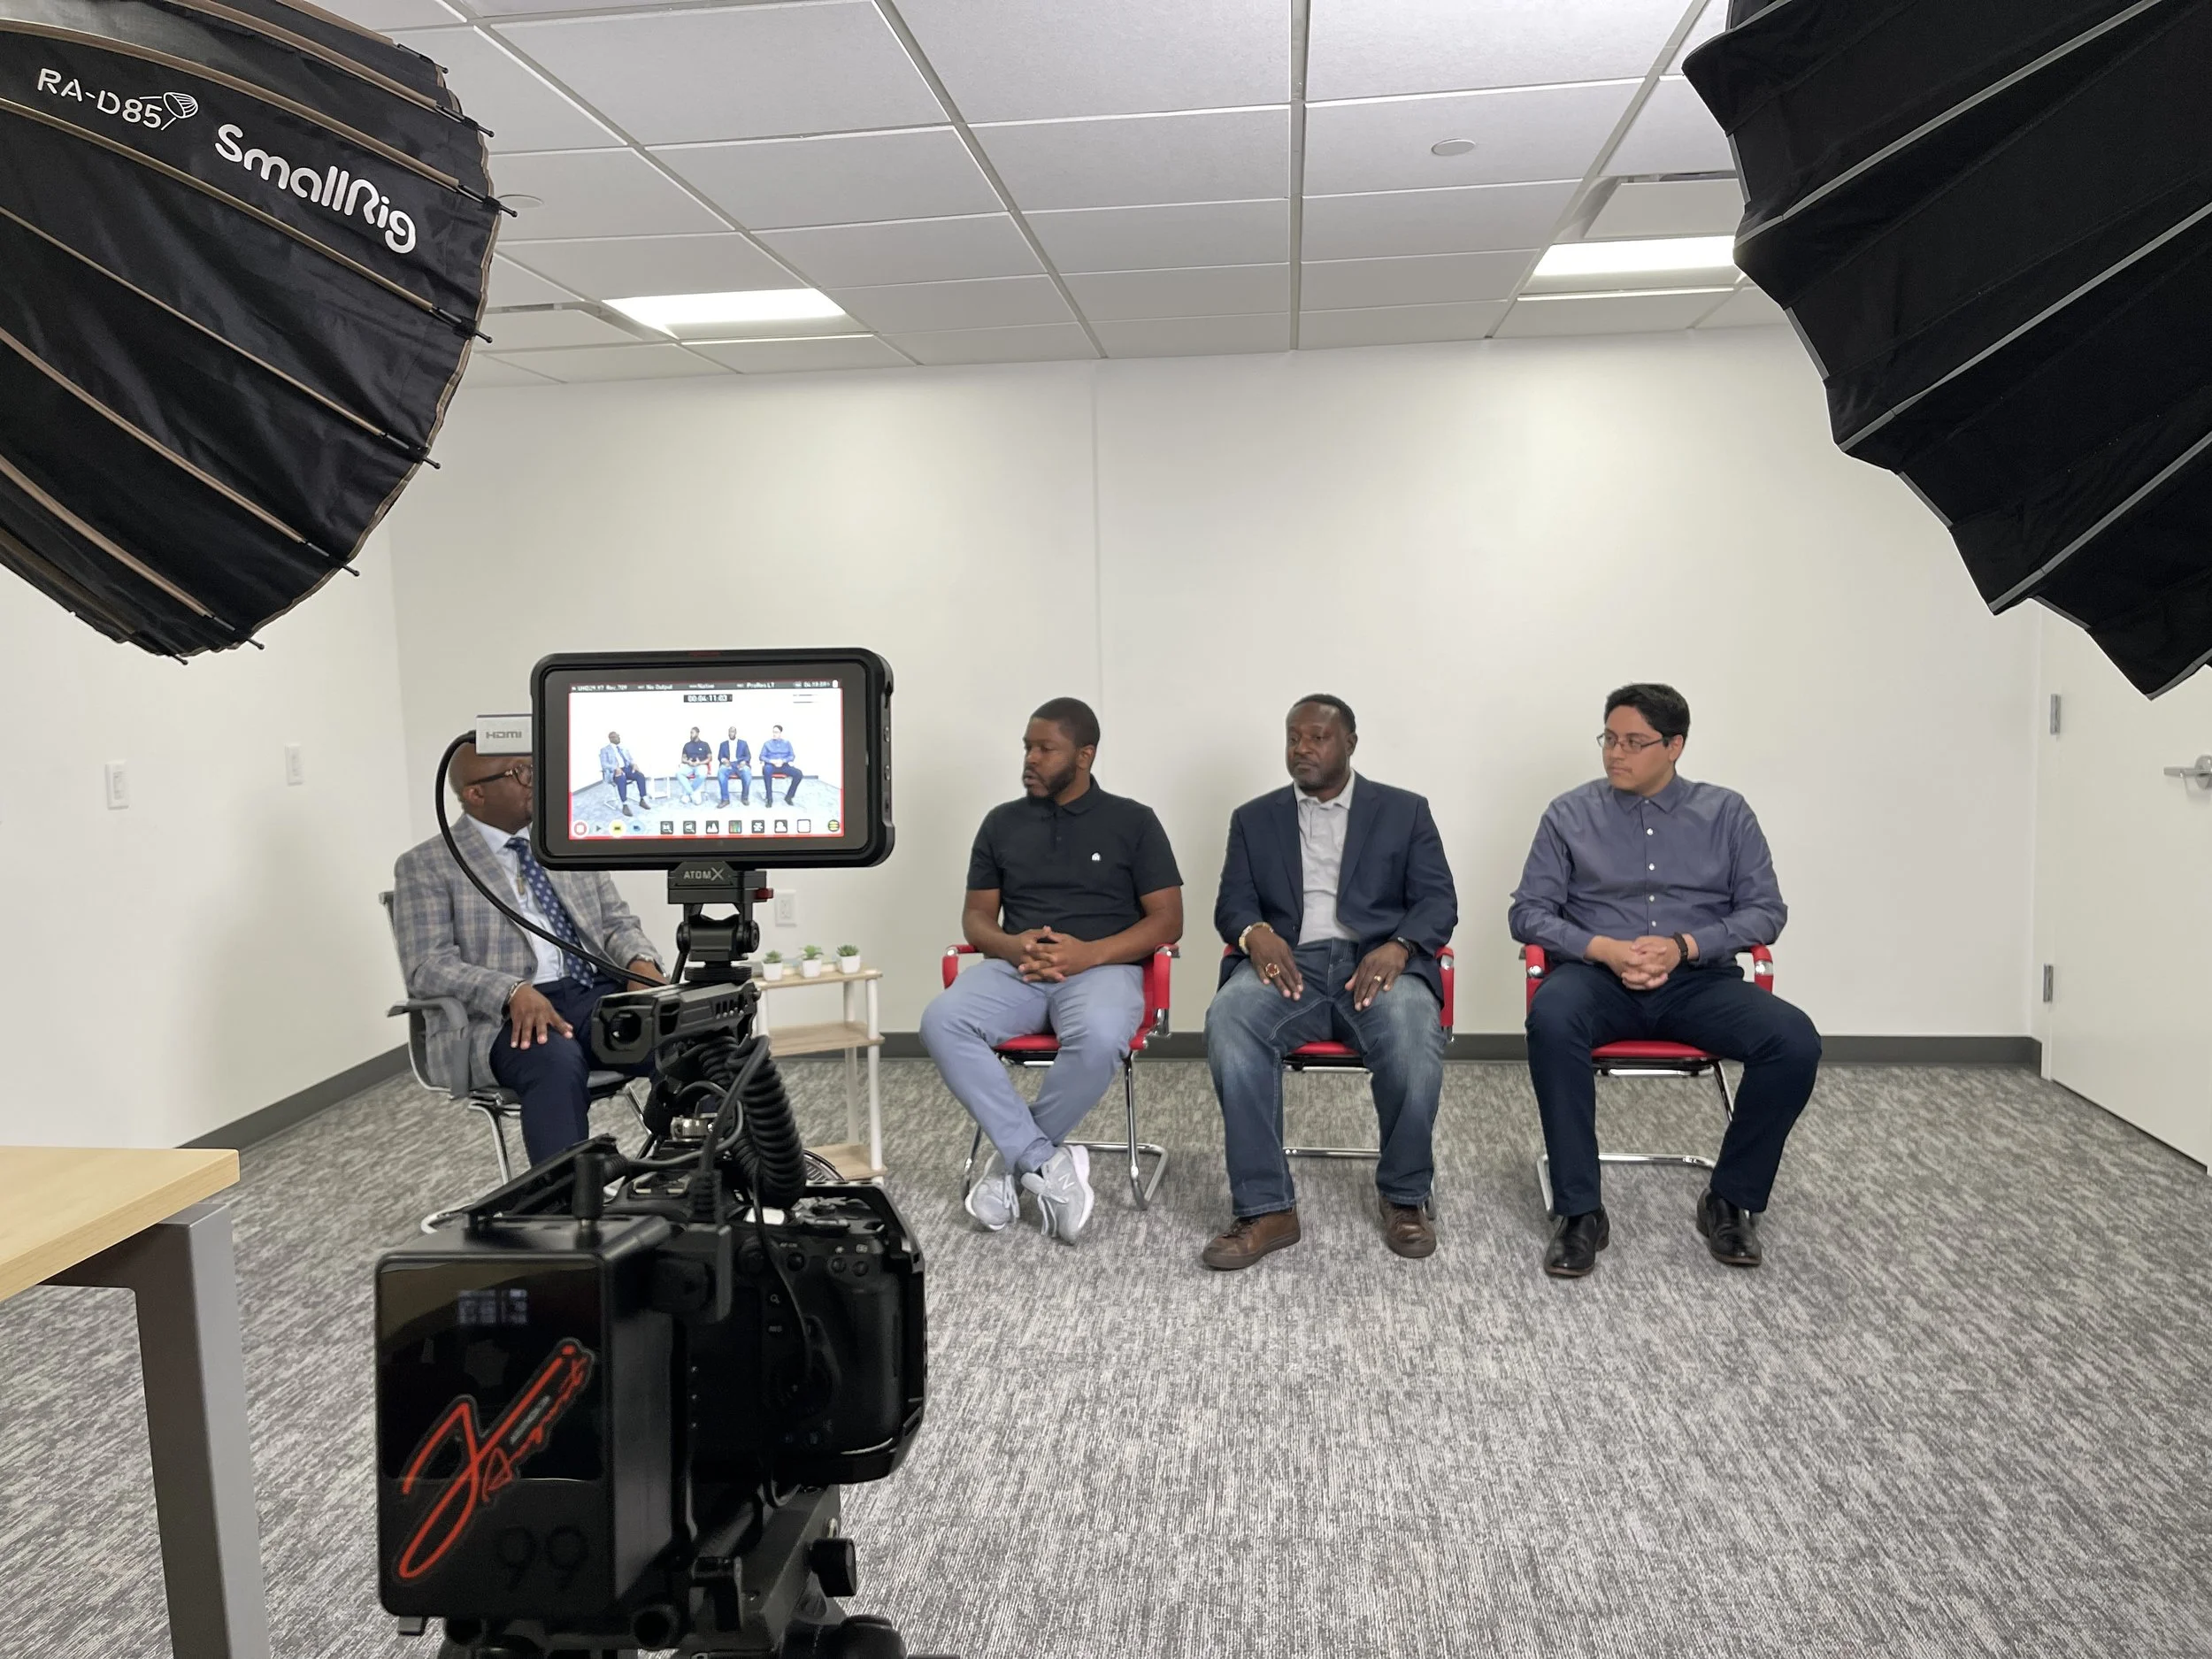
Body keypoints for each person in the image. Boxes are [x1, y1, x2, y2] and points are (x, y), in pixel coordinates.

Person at [1509, 682, 1821, 1279]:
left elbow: (1766, 912)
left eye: (1634, 741)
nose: (1614, 753)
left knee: (1795, 1040)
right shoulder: (1569, 814)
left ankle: (1731, 1199)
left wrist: (1683, 947)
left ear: (1675, 745)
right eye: (1609, 738)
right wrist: (1604, 947)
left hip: (1698, 981)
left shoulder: (1726, 812)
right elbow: (1528, 912)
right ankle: (1579, 1212)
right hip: (1596, 977)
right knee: (1553, 1018)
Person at [1201, 695, 1457, 1270]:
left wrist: (1401, 945)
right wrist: (1254, 932)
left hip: (1375, 964)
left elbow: (1438, 899)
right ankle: (1267, 1206)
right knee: (1230, 1019)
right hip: (1290, 963)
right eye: (1294, 737)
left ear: (1350, 743)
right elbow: (1233, 902)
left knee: (1414, 1034)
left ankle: (1405, 1195)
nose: (1302, 748)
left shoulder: (1404, 810)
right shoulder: (1254, 817)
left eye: (1318, 737)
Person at [918, 697, 1182, 1244]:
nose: (1030, 759)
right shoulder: (1001, 824)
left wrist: (1089, 953)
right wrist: (1011, 946)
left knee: (1102, 1034)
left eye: (1045, 749)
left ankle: (1009, 1168)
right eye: (1027, 747)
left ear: (1084, 755)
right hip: (1020, 968)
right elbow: (975, 918)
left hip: (1103, 968)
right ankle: (1040, 1159)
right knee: (942, 1021)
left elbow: (1167, 921)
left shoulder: (1133, 821)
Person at [392, 744, 667, 1164]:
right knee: (554, 1061)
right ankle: (565, 1207)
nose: (535, 781)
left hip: (587, 993)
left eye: (535, 768)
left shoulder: (566, 842)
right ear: (475, 795)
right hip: (497, 1018)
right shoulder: (427, 864)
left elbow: (615, 923)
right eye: (518, 772)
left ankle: (697, 1174)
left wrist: (639, 964)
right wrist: (511, 991)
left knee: (685, 1033)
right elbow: (427, 966)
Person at [599, 731, 651, 815]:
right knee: (621, 778)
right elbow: (604, 764)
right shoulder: (604, 750)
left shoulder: (623, 748)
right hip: (614, 772)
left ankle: (642, 799)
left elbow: (630, 759)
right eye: (617, 736)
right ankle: (625, 805)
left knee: (640, 775)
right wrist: (615, 768)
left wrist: (634, 764)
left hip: (626, 769)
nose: (619, 738)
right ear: (611, 738)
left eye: (619, 736)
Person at [759, 726, 803, 805]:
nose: (774, 734)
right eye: (773, 732)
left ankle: (789, 797)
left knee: (799, 773)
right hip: (771, 765)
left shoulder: (787, 743)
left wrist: (783, 761)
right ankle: (769, 798)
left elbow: (792, 756)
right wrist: (771, 761)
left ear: (780, 733)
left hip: (783, 765)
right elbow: (762, 756)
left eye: (776, 732)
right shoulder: (767, 744)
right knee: (766, 770)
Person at [717, 727, 753, 808]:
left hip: (740, 764)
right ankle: (725, 799)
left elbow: (748, 756)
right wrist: (724, 760)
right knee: (721, 771)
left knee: (747, 773)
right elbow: (720, 756)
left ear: (736, 733)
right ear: (728, 733)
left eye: (733, 732)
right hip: (728, 764)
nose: (731, 733)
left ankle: (744, 797)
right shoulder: (723, 744)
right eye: (730, 732)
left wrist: (744, 762)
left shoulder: (743, 743)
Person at [679, 727, 714, 806]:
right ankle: (692, 793)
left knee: (702, 775)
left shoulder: (705, 745)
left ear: (698, 733)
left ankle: (687, 794)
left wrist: (700, 763)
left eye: (692, 733)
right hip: (689, 765)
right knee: (678, 773)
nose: (691, 735)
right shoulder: (687, 745)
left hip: (701, 765)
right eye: (690, 733)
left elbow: (709, 758)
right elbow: (683, 759)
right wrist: (688, 761)